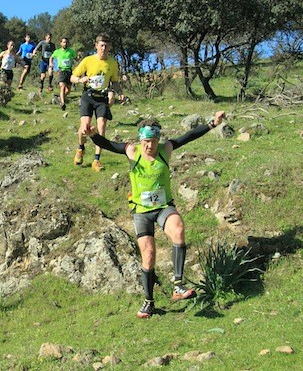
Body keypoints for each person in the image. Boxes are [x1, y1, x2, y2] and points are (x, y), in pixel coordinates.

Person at [85, 111, 226, 318]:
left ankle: (178, 285)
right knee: (148, 256)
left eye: (152, 141)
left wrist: (212, 123)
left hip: (163, 208)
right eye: (145, 141)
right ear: (140, 139)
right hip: (141, 212)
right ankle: (148, 301)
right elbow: (108, 145)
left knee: (178, 229)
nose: (149, 146)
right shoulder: (132, 151)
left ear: (158, 139)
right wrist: (93, 136)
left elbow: (188, 136)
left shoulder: (165, 149)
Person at [70, 33, 124, 172]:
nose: (103, 48)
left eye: (106, 46)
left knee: (101, 128)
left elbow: (115, 81)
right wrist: (80, 80)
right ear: (96, 46)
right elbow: (73, 77)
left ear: (109, 47)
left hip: (102, 99)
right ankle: (80, 148)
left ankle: (96, 160)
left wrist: (119, 92)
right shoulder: (88, 60)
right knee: (85, 128)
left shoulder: (112, 63)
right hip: (88, 96)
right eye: (101, 45)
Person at [49, 37, 77, 110]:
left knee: (68, 90)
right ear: (61, 43)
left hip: (69, 71)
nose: (65, 44)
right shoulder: (57, 51)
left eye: (66, 42)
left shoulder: (71, 51)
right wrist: (51, 63)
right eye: (64, 42)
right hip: (61, 71)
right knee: (62, 87)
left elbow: (76, 58)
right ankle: (63, 103)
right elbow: (51, 57)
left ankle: (60, 98)